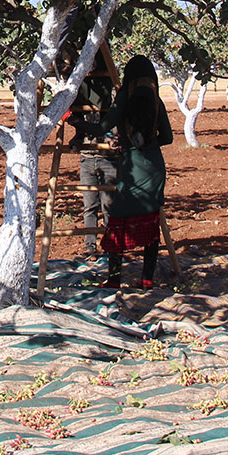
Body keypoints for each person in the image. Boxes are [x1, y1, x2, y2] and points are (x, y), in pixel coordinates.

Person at [71, 55, 173, 289]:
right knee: (150, 222)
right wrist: (148, 142)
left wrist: (74, 121)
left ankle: (115, 278)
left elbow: (101, 128)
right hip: (154, 168)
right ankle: (146, 279)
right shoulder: (157, 101)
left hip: (131, 168)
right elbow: (167, 137)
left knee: (117, 221)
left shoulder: (124, 98)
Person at [69, 61, 118, 257]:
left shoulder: (111, 96)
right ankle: (90, 245)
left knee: (108, 206)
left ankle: (110, 245)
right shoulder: (81, 96)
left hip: (108, 157)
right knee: (89, 205)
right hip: (88, 157)